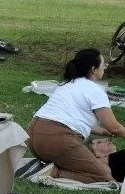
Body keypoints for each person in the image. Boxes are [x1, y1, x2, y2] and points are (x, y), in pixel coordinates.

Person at [28, 49, 125, 183]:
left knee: (84, 166)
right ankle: (53, 174)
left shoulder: (67, 85)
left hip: (33, 137)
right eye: (103, 64)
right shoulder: (95, 90)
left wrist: (106, 132)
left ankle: (45, 167)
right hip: (57, 140)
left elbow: (75, 120)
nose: (105, 67)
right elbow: (114, 127)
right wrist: (115, 131)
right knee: (104, 175)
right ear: (93, 69)